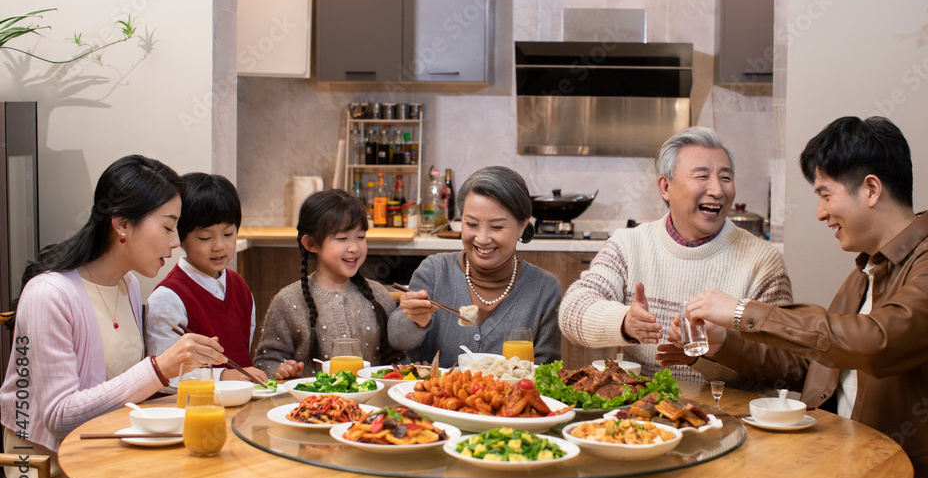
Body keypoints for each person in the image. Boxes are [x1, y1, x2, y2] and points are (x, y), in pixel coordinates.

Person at [659, 116, 928, 478]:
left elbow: (874, 344)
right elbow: (809, 362)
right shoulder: (866, 274)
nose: (820, 212)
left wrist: (743, 311)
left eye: (824, 194)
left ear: (872, 189)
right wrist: (722, 342)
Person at [0, 155, 230, 478]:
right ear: (122, 225)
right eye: (167, 227)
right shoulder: (49, 295)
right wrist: (159, 368)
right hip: (51, 477)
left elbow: (125, 385)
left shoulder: (125, 284)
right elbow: (59, 417)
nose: (176, 242)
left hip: (107, 453)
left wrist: (197, 373)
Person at [559, 127, 792, 384]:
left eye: (725, 178)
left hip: (734, 417)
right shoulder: (629, 245)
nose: (717, 190)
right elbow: (572, 310)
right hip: (645, 416)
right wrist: (625, 322)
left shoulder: (763, 262)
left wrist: (707, 353)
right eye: (702, 176)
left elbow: (782, 368)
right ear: (666, 187)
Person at [388, 166, 563, 368]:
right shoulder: (435, 271)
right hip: (430, 398)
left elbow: (546, 370)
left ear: (522, 226)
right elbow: (397, 340)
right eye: (471, 224)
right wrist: (414, 319)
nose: (482, 238)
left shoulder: (545, 289)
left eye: (497, 227)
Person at [144, 173, 297, 383]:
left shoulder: (240, 287)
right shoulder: (168, 298)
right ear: (180, 237)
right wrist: (223, 376)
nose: (219, 246)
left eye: (228, 234)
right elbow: (165, 376)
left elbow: (243, 358)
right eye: (205, 238)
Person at [254, 189, 402, 376]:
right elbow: (266, 362)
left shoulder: (379, 295)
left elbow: (395, 360)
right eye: (342, 238)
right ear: (311, 244)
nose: (354, 247)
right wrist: (281, 370)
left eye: (361, 237)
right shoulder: (288, 300)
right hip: (312, 404)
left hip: (371, 404)